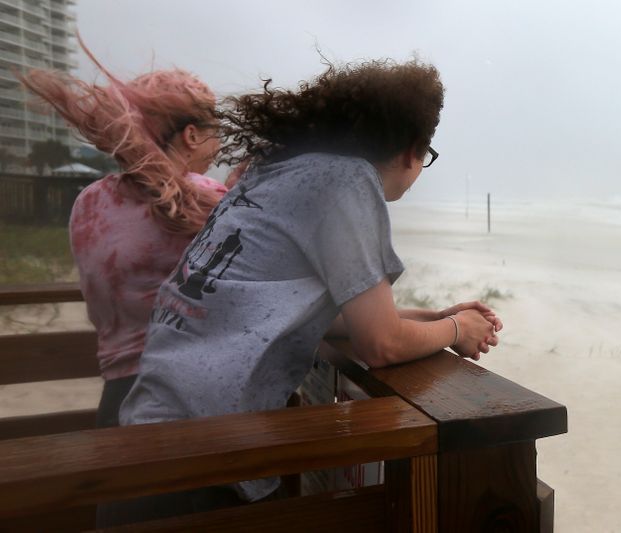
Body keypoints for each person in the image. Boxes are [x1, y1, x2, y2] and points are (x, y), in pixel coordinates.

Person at [115, 58, 502, 523]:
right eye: (427, 155)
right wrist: (458, 330)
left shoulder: (278, 170)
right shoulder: (347, 181)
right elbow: (380, 344)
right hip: (205, 464)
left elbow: (315, 316)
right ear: (410, 150)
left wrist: (435, 317)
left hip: (144, 443)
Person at [18, 40, 228, 428]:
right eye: (217, 131)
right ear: (192, 135)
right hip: (188, 402)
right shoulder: (205, 196)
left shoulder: (89, 201)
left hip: (116, 402)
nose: (219, 146)